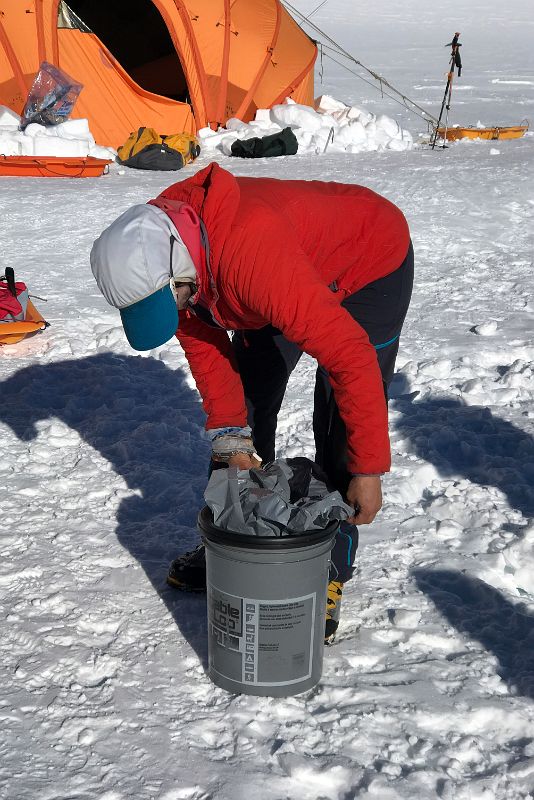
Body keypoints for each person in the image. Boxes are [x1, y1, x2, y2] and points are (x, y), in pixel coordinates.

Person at [91, 162, 414, 642]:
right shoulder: (167, 247)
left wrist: (368, 469)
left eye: (175, 300)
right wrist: (231, 438)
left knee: (339, 420)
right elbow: (204, 345)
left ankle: (328, 564)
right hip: (282, 266)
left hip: (370, 260)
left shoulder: (247, 259)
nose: (178, 311)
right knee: (250, 398)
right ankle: (232, 545)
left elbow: (350, 356)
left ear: (183, 266)